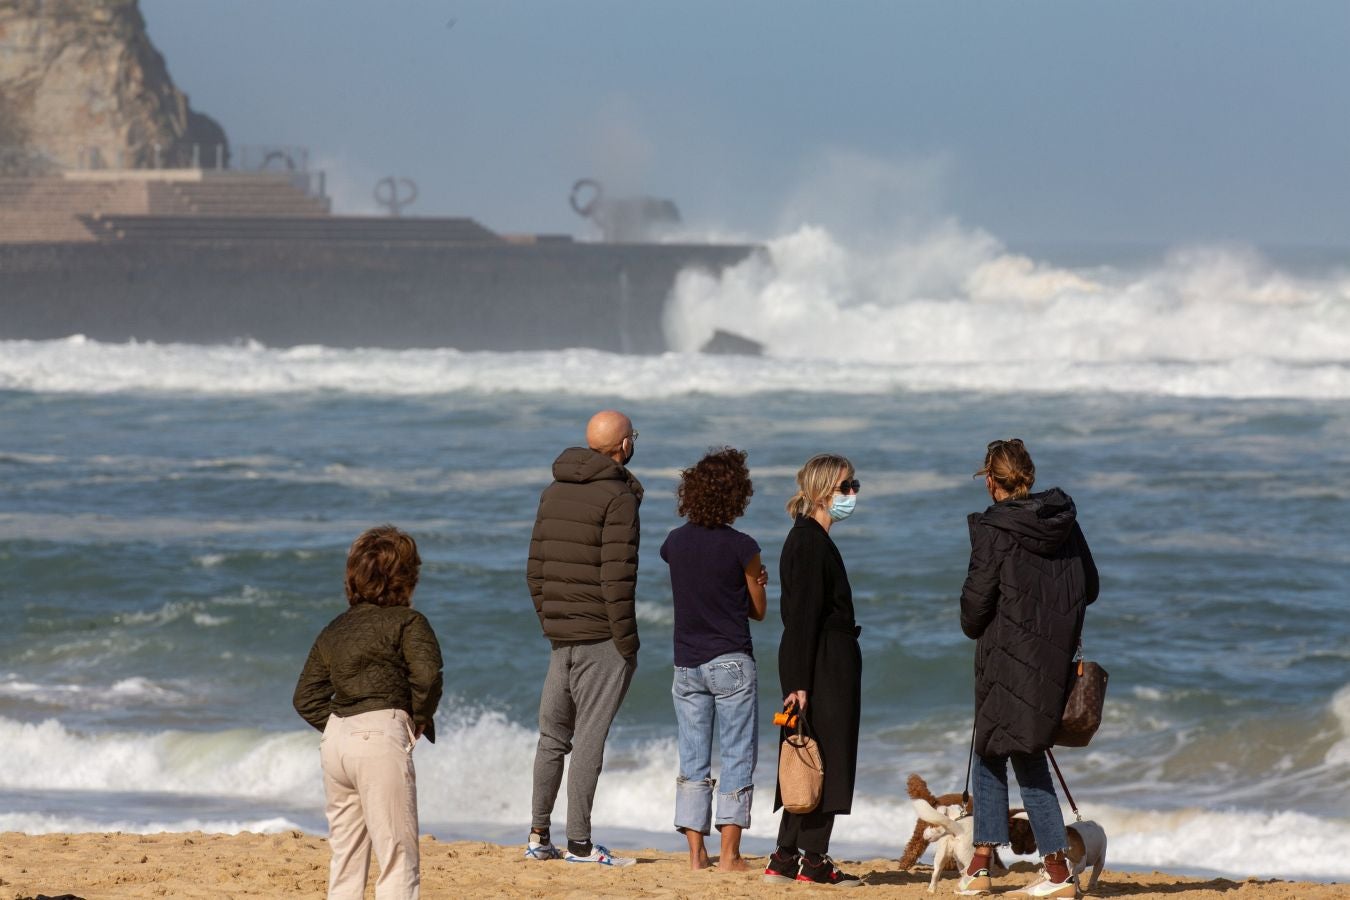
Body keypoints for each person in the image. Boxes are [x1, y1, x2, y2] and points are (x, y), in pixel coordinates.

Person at [957, 439, 1099, 899]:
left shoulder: (994, 528)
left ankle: (1056, 868)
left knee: (1021, 753)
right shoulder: (1064, 521)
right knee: (994, 750)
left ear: (992, 482)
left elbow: (974, 609)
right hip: (1049, 658)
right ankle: (981, 862)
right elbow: (1089, 586)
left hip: (1005, 656)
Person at [293, 526, 444, 900]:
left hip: (336, 742)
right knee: (396, 856)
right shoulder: (409, 622)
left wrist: (337, 727)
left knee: (345, 858)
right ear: (406, 578)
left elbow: (305, 697)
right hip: (380, 735)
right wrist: (419, 718)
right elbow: (427, 675)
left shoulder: (335, 629)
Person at [523, 409, 643, 867]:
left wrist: (550, 620)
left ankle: (538, 835)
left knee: (552, 738)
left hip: (561, 634)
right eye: (633, 437)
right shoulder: (619, 496)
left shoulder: (553, 491)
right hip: (600, 636)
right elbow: (618, 578)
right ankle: (579, 844)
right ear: (623, 446)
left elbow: (534, 569)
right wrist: (625, 642)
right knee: (589, 739)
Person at [660, 447, 768, 871]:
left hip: (687, 662)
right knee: (737, 754)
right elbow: (757, 611)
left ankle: (695, 854)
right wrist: (758, 582)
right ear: (737, 496)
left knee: (693, 758)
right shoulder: (743, 546)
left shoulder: (674, 542)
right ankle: (730, 854)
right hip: (730, 661)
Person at [763, 453, 865, 888]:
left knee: (808, 755)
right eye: (847, 487)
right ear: (823, 492)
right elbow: (800, 618)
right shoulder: (807, 541)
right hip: (822, 664)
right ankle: (815, 861)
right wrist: (798, 683)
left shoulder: (812, 538)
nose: (853, 494)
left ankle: (785, 858)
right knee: (826, 758)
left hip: (825, 660)